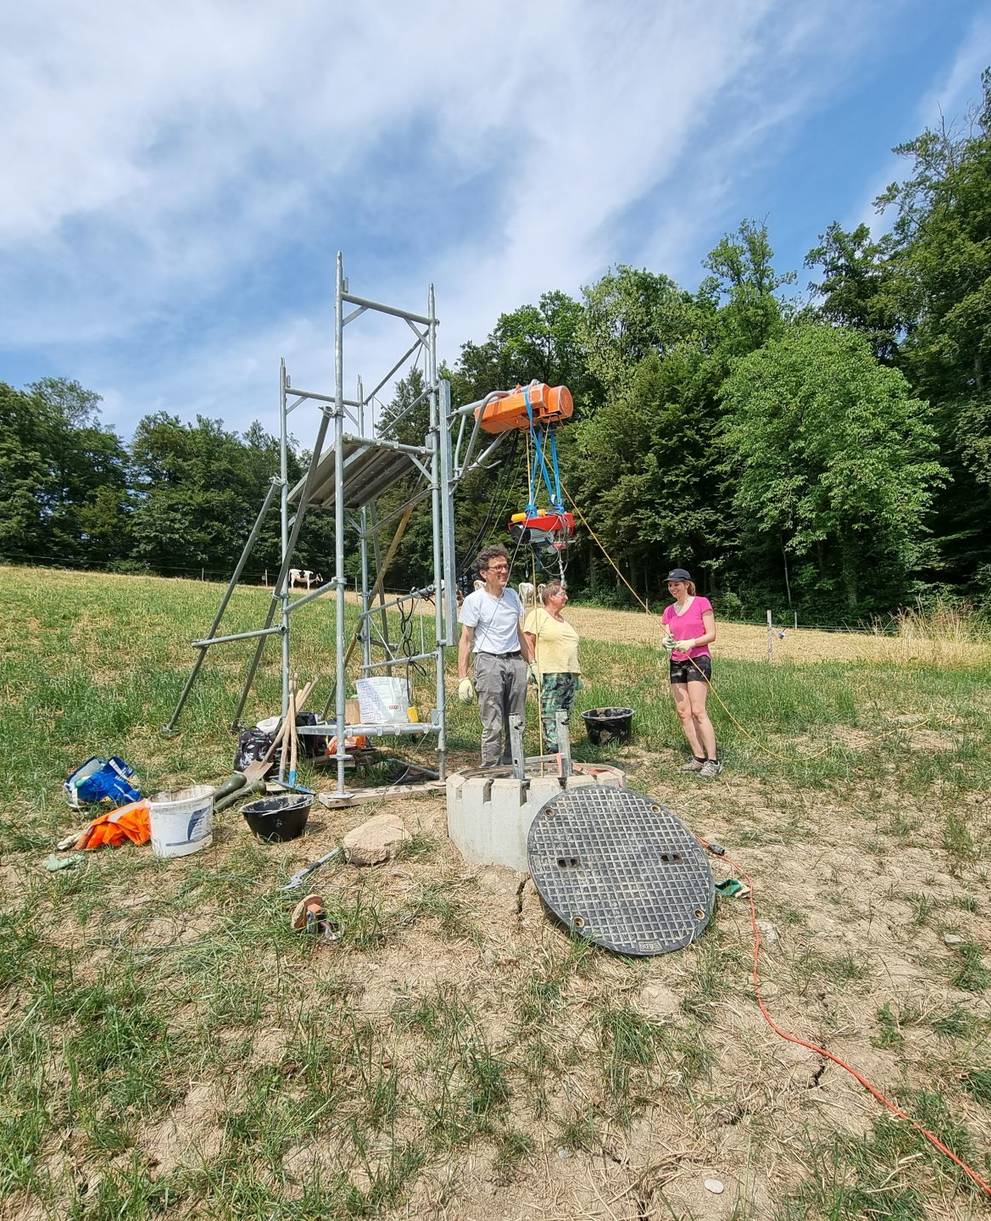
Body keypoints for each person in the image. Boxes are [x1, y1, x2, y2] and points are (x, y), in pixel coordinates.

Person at [457, 545, 534, 767]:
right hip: (489, 662)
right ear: (484, 573)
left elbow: (518, 633)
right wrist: (462, 677)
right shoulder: (474, 600)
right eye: (497, 567)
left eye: (505, 566)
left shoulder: (512, 596)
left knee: (517, 720)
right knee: (493, 722)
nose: (503, 571)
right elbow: (466, 639)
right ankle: (490, 769)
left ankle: (514, 765)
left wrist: (533, 663)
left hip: (515, 662)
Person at [661, 567, 721, 778]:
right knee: (683, 712)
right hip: (676, 662)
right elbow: (668, 634)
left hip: (698, 660)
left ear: (687, 584)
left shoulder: (701, 603)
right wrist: (666, 641)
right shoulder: (668, 610)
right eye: (670, 584)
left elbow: (712, 634)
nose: (672, 588)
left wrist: (692, 642)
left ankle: (713, 761)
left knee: (698, 710)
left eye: (676, 584)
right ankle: (698, 757)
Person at [523, 581, 581, 752]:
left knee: (564, 714)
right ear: (550, 597)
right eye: (562, 594)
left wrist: (577, 675)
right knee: (551, 714)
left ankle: (563, 749)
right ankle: (553, 750)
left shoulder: (563, 621)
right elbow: (528, 640)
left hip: (568, 674)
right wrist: (532, 664)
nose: (566, 597)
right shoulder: (538, 615)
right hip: (550, 673)